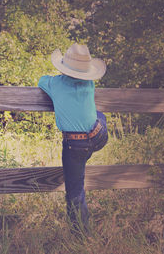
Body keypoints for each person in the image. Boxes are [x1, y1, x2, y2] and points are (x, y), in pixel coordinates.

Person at [38, 43, 108, 232]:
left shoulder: (55, 84)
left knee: (75, 192)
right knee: (101, 116)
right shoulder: (90, 83)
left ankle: (81, 236)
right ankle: (81, 233)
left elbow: (41, 81)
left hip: (75, 145)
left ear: (64, 67)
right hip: (98, 135)